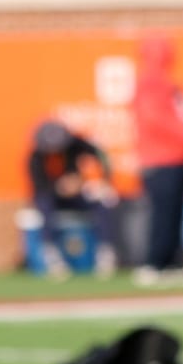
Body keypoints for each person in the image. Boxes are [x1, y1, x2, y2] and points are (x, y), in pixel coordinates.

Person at [132, 35, 183, 286]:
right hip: (160, 160)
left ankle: (172, 262)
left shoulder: (170, 85)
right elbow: (156, 120)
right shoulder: (150, 84)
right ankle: (154, 262)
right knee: (162, 214)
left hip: (179, 159)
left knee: (176, 214)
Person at [26, 119, 120, 278]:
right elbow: (38, 186)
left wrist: (104, 180)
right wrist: (59, 187)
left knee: (102, 202)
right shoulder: (36, 157)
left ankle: (105, 252)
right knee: (44, 204)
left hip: (77, 195)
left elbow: (100, 155)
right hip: (52, 197)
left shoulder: (75, 144)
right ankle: (51, 254)